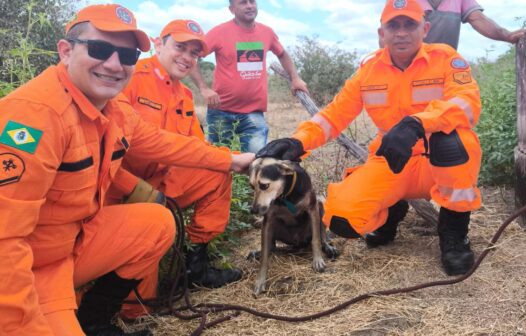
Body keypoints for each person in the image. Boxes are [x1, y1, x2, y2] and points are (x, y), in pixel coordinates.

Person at [0, 4, 253, 336]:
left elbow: (168, 143)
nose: (114, 64)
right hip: (27, 268)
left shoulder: (113, 109)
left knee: (156, 222)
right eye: (100, 49)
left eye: (127, 55)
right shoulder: (32, 117)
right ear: (65, 51)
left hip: (69, 247)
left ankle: (94, 318)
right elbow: (5, 241)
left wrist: (232, 160)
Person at [257, 0, 482, 277]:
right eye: (393, 26)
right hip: (393, 160)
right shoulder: (368, 70)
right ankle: (390, 210)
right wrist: (298, 142)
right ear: (381, 34)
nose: (401, 32)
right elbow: (334, 116)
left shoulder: (446, 58)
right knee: (341, 219)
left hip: (437, 161)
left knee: (454, 144)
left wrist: (417, 123)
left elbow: (467, 103)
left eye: (409, 24)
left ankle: (454, 236)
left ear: (424, 29)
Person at [116, 19, 242, 293]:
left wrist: (240, 159)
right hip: (121, 187)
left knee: (217, 172)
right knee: (138, 304)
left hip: (162, 182)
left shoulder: (183, 95)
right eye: (180, 47)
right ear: (158, 44)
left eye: (194, 53)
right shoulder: (130, 78)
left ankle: (194, 266)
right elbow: (133, 143)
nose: (187, 58)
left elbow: (198, 149)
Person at [190, 0, 309, 153]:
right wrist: (204, 89)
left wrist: (295, 78)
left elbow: (282, 54)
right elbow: (192, 57)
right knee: (219, 162)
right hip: (221, 111)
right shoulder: (219, 32)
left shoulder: (267, 32)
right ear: (232, 9)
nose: (249, 6)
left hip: (253, 112)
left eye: (252, 1)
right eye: (243, 3)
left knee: (256, 160)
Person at [382, 0, 526, 49]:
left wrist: (507, 35)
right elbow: (387, 32)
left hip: (444, 66)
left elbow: (478, 19)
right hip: (410, 66)